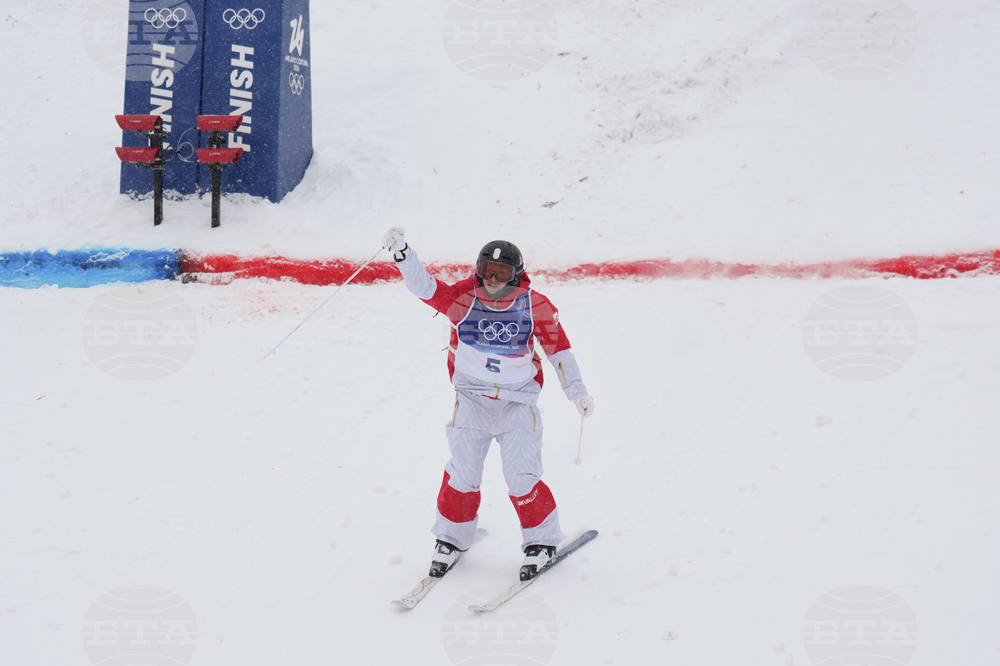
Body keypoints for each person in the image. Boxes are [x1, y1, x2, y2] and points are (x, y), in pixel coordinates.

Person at [382, 227, 594, 581]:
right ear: (477, 269)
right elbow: (425, 288)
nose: (493, 280)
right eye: (486, 271)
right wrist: (404, 254)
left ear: (517, 274)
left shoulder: (534, 304)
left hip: (517, 402)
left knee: (521, 477)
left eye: (502, 274)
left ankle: (541, 542)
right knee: (463, 472)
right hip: (473, 400)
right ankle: (451, 539)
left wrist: (577, 391)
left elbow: (560, 349)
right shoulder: (463, 297)